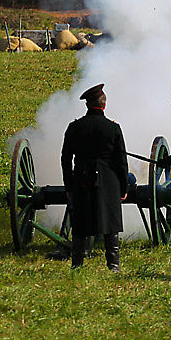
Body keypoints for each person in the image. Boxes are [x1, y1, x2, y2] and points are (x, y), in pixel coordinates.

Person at [60, 83, 128, 271]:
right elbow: (121, 161)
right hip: (109, 182)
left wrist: (69, 186)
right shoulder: (113, 128)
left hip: (81, 180)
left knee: (81, 225)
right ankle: (113, 265)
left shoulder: (75, 127)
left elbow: (65, 159)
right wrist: (123, 187)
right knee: (110, 225)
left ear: (87, 105)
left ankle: (77, 264)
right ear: (103, 105)